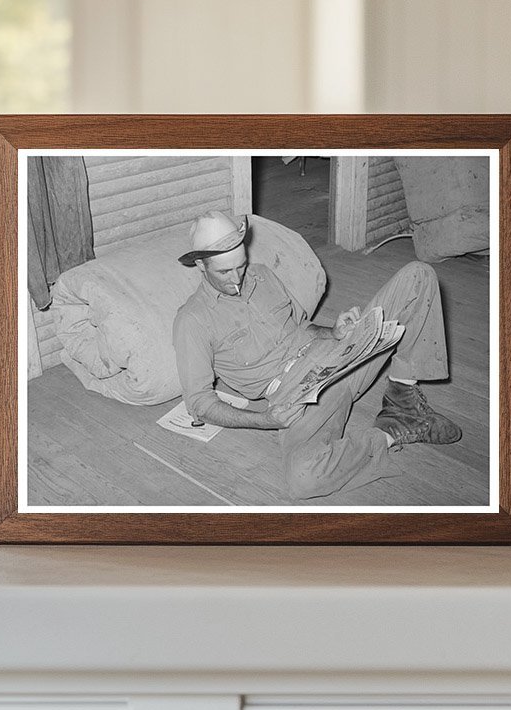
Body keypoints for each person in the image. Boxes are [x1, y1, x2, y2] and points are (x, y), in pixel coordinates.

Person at [172, 211, 461, 500]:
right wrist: (267, 419)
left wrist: (334, 332)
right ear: (200, 265)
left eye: (241, 266)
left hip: (338, 354)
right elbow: (198, 403)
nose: (237, 279)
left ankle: (403, 398)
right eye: (224, 272)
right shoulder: (192, 320)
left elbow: (301, 327)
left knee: (418, 275)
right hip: (295, 395)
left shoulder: (261, 275)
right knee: (303, 479)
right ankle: (392, 432)